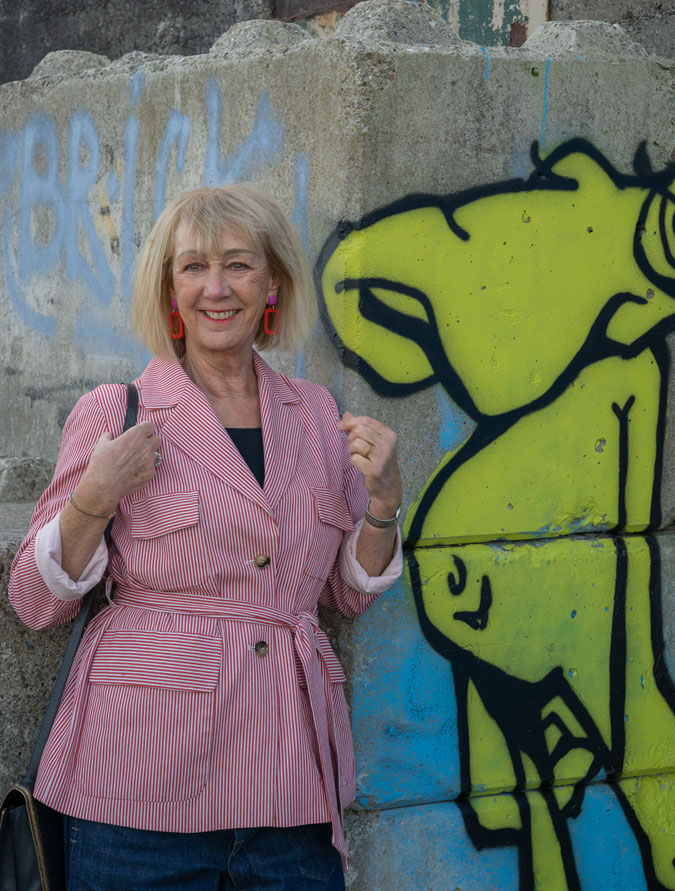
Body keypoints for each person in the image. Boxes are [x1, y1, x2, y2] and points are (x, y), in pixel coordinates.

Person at [8, 185, 403, 890]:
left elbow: (349, 592)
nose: (215, 288)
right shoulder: (116, 409)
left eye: (238, 265)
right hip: (137, 786)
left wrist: (383, 505)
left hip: (289, 786)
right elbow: (35, 601)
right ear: (168, 288)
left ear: (273, 281)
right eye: (192, 267)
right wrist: (94, 495)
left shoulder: (317, 414)